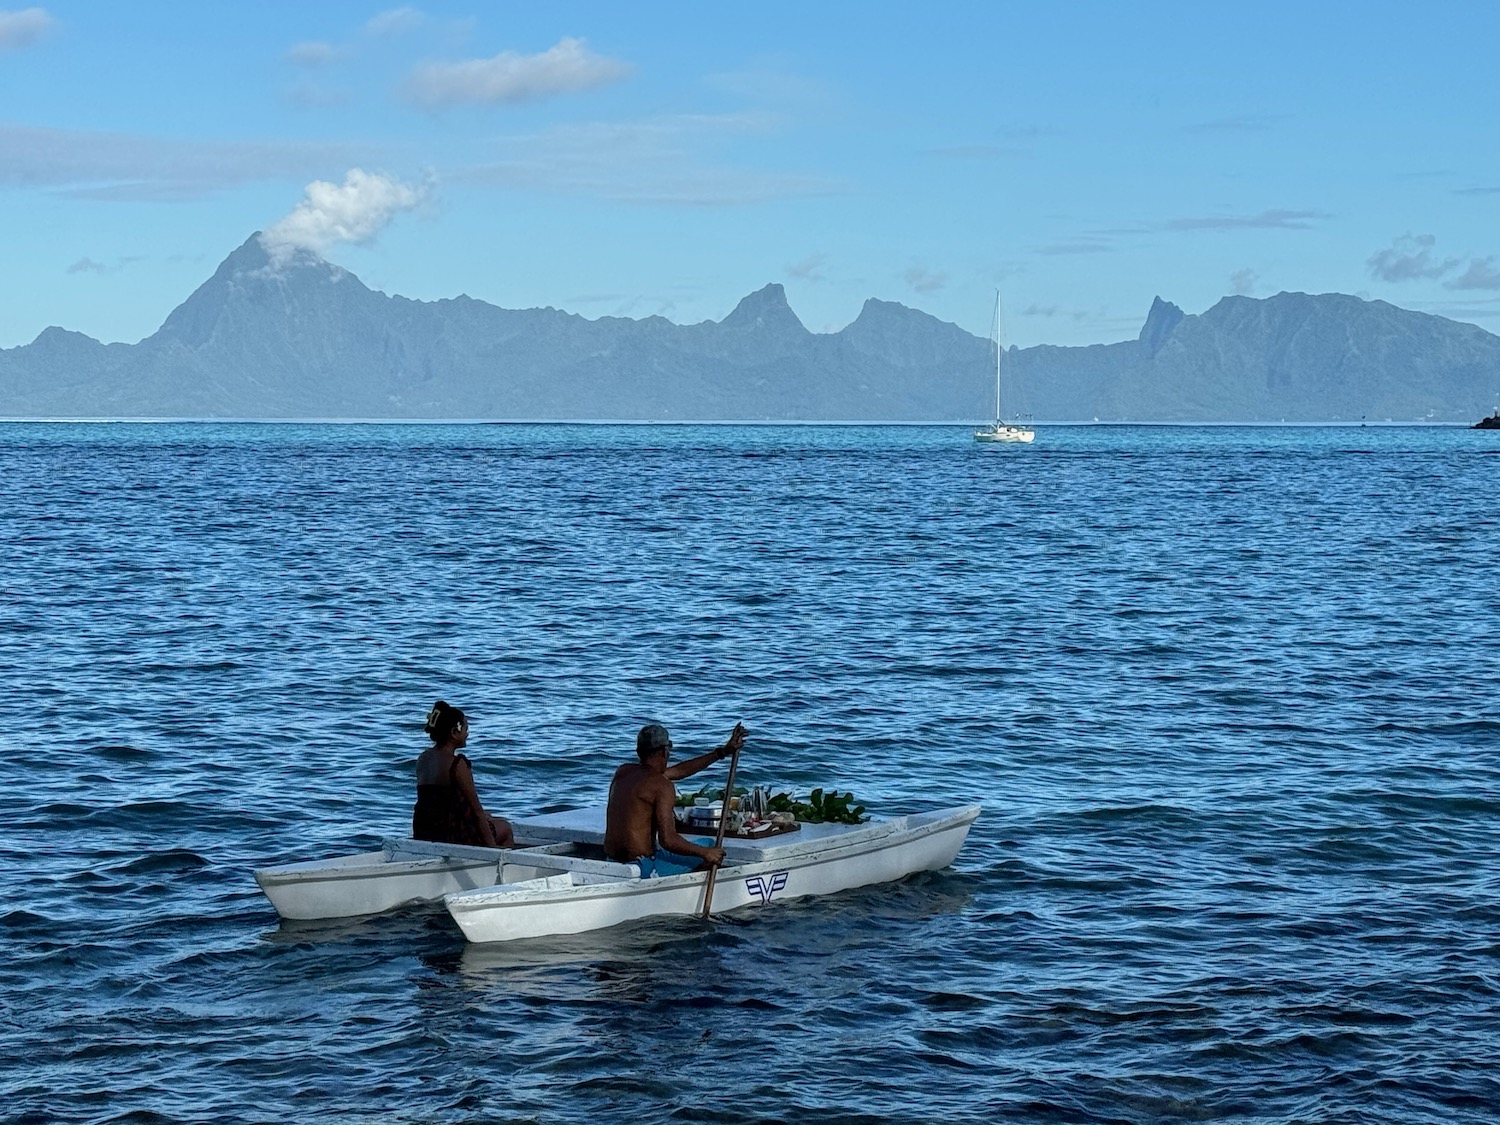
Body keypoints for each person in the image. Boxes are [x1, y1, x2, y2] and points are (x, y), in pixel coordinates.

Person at [604, 721, 747, 877]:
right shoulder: (661, 785)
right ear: (665, 752)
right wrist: (705, 853)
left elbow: (680, 771)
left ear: (639, 751)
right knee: (709, 846)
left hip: (612, 861)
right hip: (642, 867)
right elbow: (669, 841)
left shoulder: (622, 772)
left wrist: (722, 752)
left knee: (699, 850)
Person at [412, 700, 515, 848]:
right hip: (451, 834)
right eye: (465, 728)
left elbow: (438, 802)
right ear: (454, 732)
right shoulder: (456, 764)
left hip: (424, 830)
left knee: (489, 817)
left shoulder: (423, 758)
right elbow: (476, 810)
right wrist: (492, 849)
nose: (467, 733)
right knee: (504, 828)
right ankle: (499, 868)